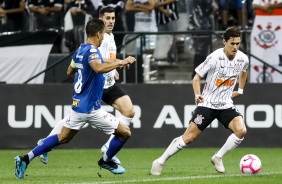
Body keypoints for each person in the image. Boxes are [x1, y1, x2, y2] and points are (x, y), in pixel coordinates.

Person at [14, 18, 136, 179]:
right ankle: (106, 160)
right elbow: (98, 67)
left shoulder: (80, 50)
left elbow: (69, 72)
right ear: (99, 34)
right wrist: (121, 63)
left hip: (78, 105)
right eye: (102, 36)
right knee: (125, 132)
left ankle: (25, 159)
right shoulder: (92, 51)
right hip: (91, 109)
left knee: (63, 137)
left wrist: (90, 72)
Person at [37, 6, 136, 166]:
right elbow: (99, 61)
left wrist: (114, 70)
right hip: (96, 84)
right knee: (76, 120)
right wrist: (119, 62)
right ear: (100, 20)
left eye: (113, 18)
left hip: (108, 83)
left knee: (129, 110)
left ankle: (108, 146)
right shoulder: (97, 39)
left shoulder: (110, 37)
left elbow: (107, 59)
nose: (111, 21)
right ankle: (46, 143)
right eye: (107, 18)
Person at [150, 26, 249, 175]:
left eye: (237, 43)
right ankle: (160, 161)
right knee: (189, 138)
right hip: (207, 104)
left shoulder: (242, 58)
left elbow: (244, 71)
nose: (235, 47)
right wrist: (197, 94)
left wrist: (240, 90)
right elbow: (196, 77)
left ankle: (218, 157)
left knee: (241, 131)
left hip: (226, 104)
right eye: (232, 43)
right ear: (224, 41)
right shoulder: (214, 57)